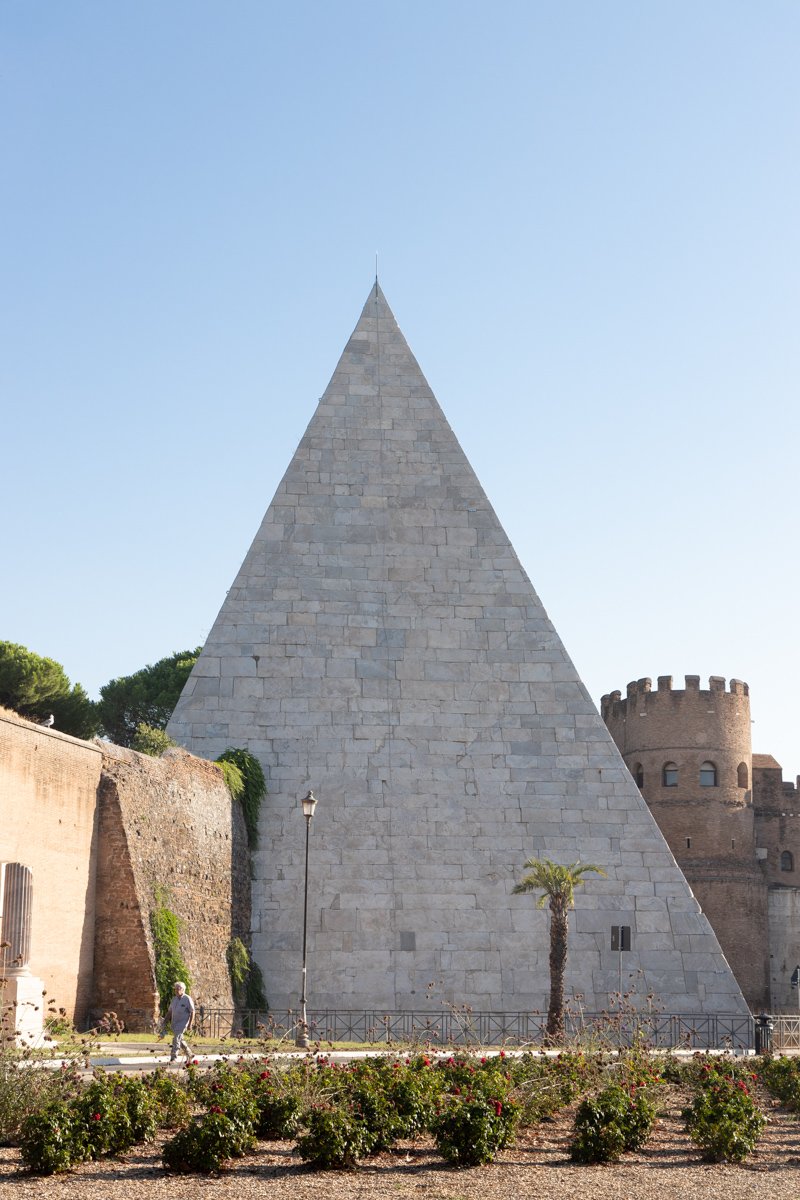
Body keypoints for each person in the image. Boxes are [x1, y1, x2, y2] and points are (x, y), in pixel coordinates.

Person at [166, 980, 195, 1063]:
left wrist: (190, 1024)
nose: (176, 990)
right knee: (180, 1040)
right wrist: (165, 1021)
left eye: (178, 989)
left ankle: (173, 1058)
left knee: (176, 1039)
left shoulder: (187, 999)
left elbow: (192, 1011)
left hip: (183, 1023)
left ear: (183, 989)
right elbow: (170, 1011)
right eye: (175, 989)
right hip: (175, 1022)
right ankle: (189, 1054)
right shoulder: (174, 999)